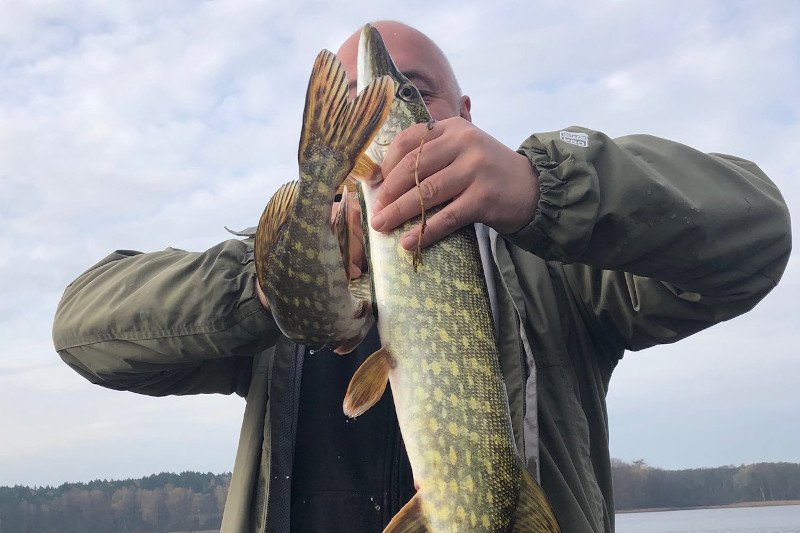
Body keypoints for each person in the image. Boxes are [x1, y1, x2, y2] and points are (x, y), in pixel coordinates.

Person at [52, 20, 791, 533]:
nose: (381, 116)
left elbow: (756, 232)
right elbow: (83, 329)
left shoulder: (560, 273)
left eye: (414, 91)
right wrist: (269, 274)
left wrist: (546, 187)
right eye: (353, 103)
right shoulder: (279, 304)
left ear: (466, 115)